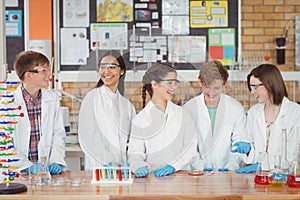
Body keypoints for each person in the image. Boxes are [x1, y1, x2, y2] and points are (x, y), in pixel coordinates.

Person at [128, 63, 197, 178]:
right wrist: (138, 165)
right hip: (153, 178)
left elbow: (190, 148)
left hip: (181, 177)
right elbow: (135, 153)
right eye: (169, 83)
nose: (174, 87)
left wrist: (173, 166)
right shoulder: (140, 120)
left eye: (175, 83)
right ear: (154, 84)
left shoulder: (183, 114)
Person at [184, 60, 249, 171]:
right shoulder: (189, 109)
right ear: (200, 82)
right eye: (207, 87)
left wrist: (230, 167)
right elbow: (188, 146)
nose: (211, 93)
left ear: (224, 84)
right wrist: (200, 167)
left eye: (217, 88)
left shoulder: (235, 109)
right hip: (198, 174)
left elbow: (239, 145)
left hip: (229, 176)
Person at [236, 64, 300, 173]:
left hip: (283, 179)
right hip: (259, 178)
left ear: (269, 84)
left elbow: (291, 155)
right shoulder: (253, 112)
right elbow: (252, 150)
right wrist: (249, 150)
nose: (252, 92)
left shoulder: (294, 111)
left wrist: (263, 166)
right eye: (251, 88)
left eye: (255, 87)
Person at [78, 50, 136, 170]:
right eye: (103, 67)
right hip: (99, 167)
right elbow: (87, 137)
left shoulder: (127, 105)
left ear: (122, 71)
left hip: (122, 168)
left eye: (112, 67)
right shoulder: (92, 98)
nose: (106, 71)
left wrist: (130, 158)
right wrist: (108, 162)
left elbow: (133, 138)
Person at [10, 50, 66, 174]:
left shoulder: (52, 99)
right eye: (43, 70)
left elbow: (58, 133)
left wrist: (56, 160)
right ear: (28, 75)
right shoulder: (8, 103)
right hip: (18, 173)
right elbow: (5, 143)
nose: (49, 75)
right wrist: (26, 166)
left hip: (46, 171)